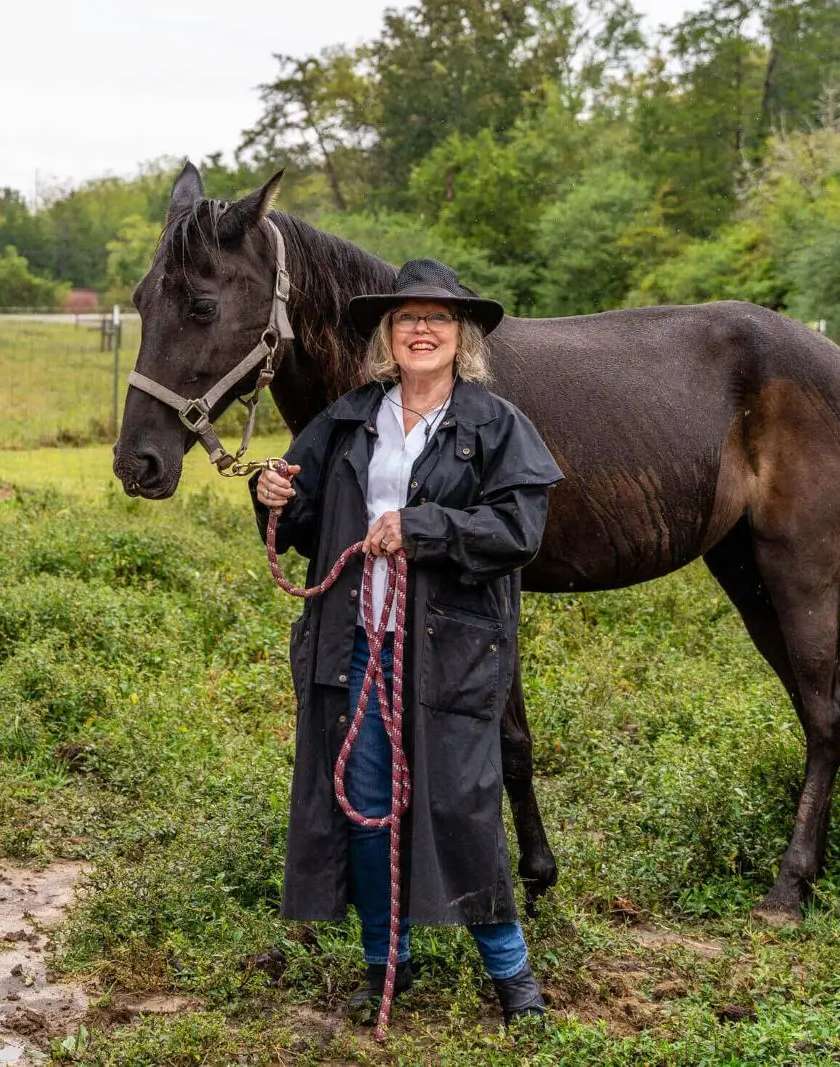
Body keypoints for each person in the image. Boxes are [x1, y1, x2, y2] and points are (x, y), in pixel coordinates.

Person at [252, 259, 563, 1027]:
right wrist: (272, 495)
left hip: (450, 653)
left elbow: (520, 531)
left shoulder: (495, 424)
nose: (420, 330)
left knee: (462, 806)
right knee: (365, 807)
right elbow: (298, 520)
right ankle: (385, 962)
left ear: (461, 337)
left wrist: (422, 527)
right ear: (387, 337)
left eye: (438, 318)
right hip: (358, 646)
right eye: (406, 318)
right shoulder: (349, 417)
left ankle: (514, 979)